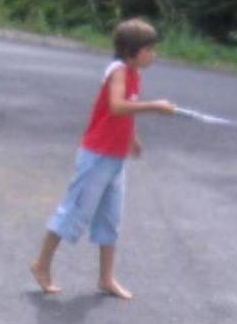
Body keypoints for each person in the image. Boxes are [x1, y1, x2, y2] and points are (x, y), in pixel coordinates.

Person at [31, 19, 176, 300]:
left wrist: (132, 137)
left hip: (115, 156)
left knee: (111, 218)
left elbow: (124, 113)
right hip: (97, 156)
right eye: (149, 49)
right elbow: (117, 106)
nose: (153, 54)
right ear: (132, 52)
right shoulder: (118, 72)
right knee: (73, 211)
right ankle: (41, 265)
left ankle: (106, 278)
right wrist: (155, 106)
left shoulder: (134, 73)